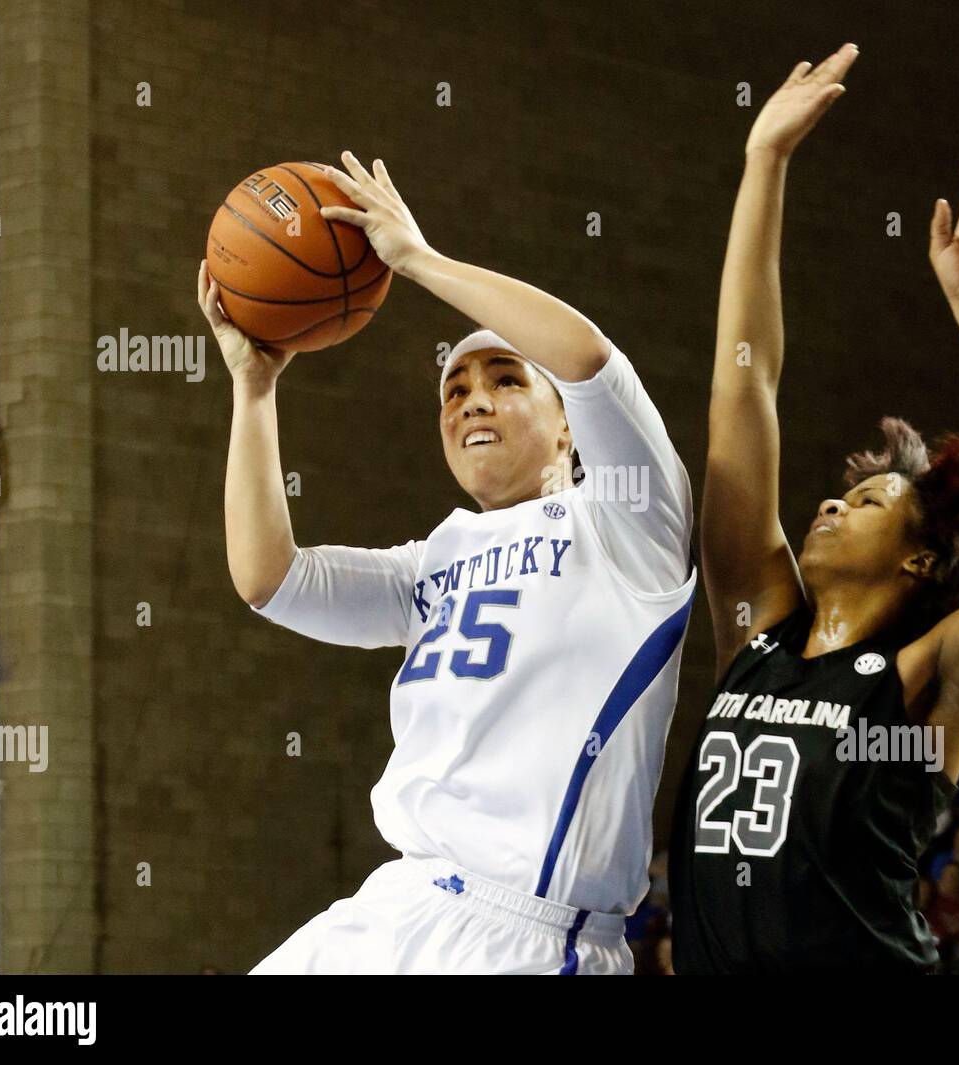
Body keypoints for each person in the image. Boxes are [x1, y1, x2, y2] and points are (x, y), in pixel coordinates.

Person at [199, 150, 696, 974]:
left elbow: (588, 362)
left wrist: (419, 261)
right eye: (455, 388)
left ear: (568, 428)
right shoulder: (431, 560)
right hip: (397, 903)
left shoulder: (627, 519)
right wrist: (254, 391)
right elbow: (268, 578)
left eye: (506, 379)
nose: (472, 398)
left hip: (529, 934)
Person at [668, 44, 959, 973]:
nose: (829, 499)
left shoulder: (932, 679)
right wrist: (763, 165)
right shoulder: (755, 633)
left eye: (866, 500)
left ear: (921, 561)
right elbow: (745, 392)